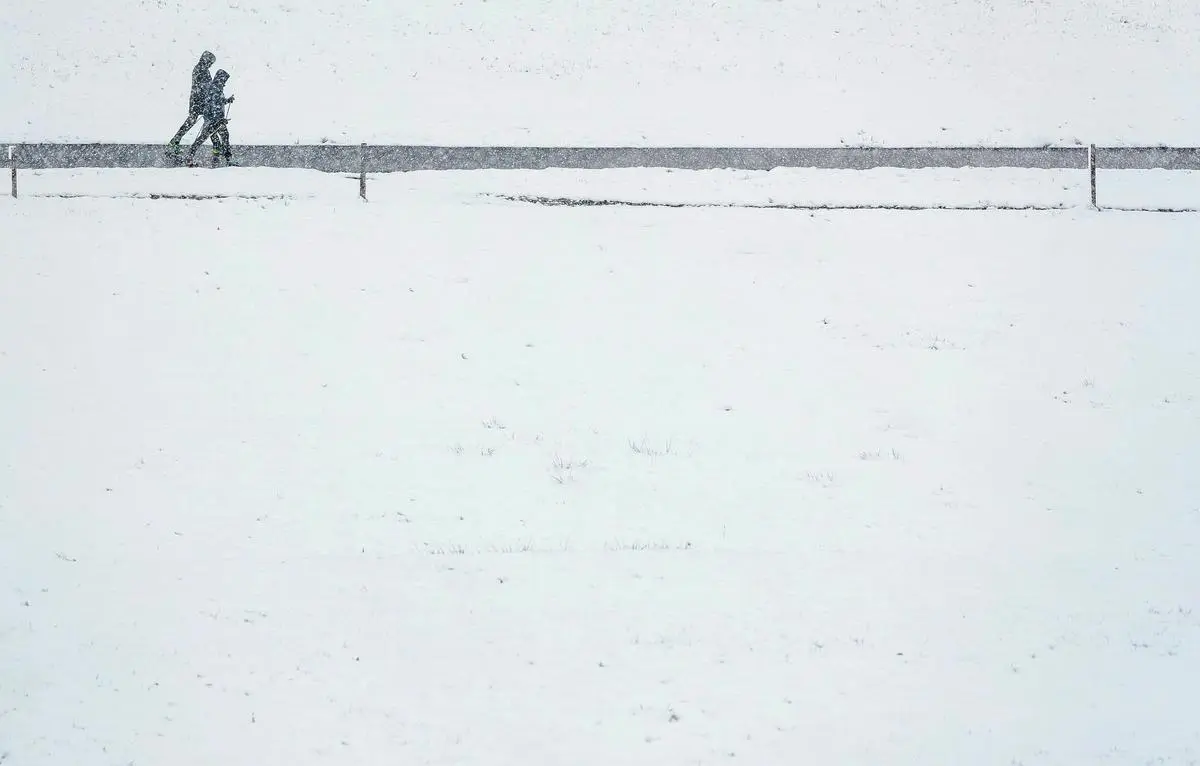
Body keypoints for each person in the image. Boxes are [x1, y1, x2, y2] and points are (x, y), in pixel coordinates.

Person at [166, 51, 216, 159]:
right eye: (210, 62)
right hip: (200, 101)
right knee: (208, 122)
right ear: (206, 61)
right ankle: (217, 147)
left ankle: (175, 141)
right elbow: (205, 86)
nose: (211, 65)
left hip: (196, 101)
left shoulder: (199, 69)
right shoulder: (202, 70)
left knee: (198, 122)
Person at [186, 69, 236, 167]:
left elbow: (219, 102)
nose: (224, 82)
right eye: (224, 80)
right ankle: (227, 159)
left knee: (222, 137)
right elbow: (212, 106)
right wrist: (219, 120)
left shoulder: (217, 88)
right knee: (204, 138)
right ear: (220, 79)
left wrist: (227, 100)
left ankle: (226, 158)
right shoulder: (215, 89)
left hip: (216, 120)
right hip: (213, 121)